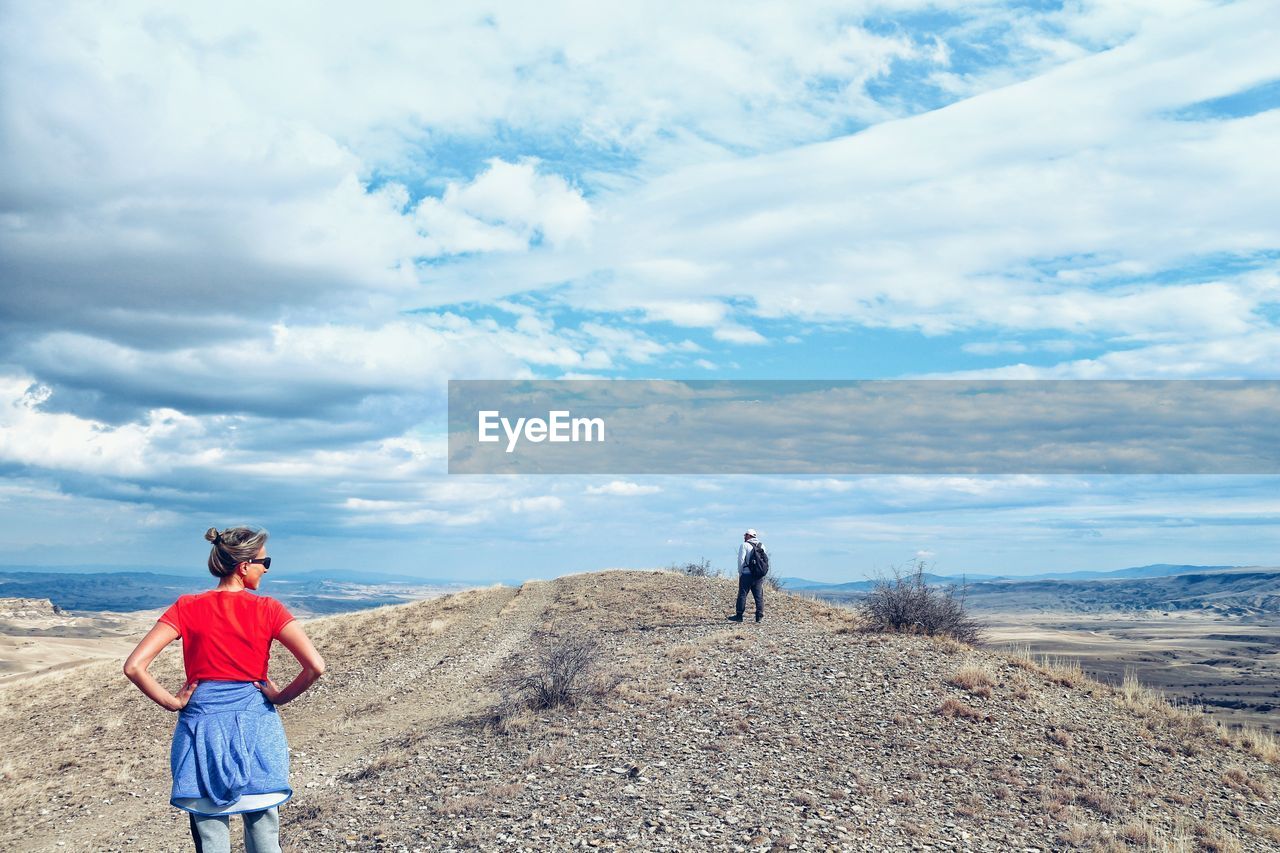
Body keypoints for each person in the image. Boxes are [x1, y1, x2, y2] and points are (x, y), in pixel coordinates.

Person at [123, 526, 326, 853]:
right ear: (244, 566)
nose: (266, 568)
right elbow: (315, 666)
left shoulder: (186, 606)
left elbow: (134, 666)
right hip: (255, 728)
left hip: (200, 729)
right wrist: (279, 696)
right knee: (264, 837)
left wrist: (173, 703)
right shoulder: (269, 609)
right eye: (265, 561)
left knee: (211, 841)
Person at [728, 528, 767, 623]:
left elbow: (741, 560)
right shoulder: (762, 546)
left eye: (745, 534)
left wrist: (740, 572)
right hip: (758, 575)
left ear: (749, 536)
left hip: (746, 574)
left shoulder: (744, 545)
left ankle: (739, 615)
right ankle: (759, 616)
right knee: (758, 596)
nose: (744, 536)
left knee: (742, 594)